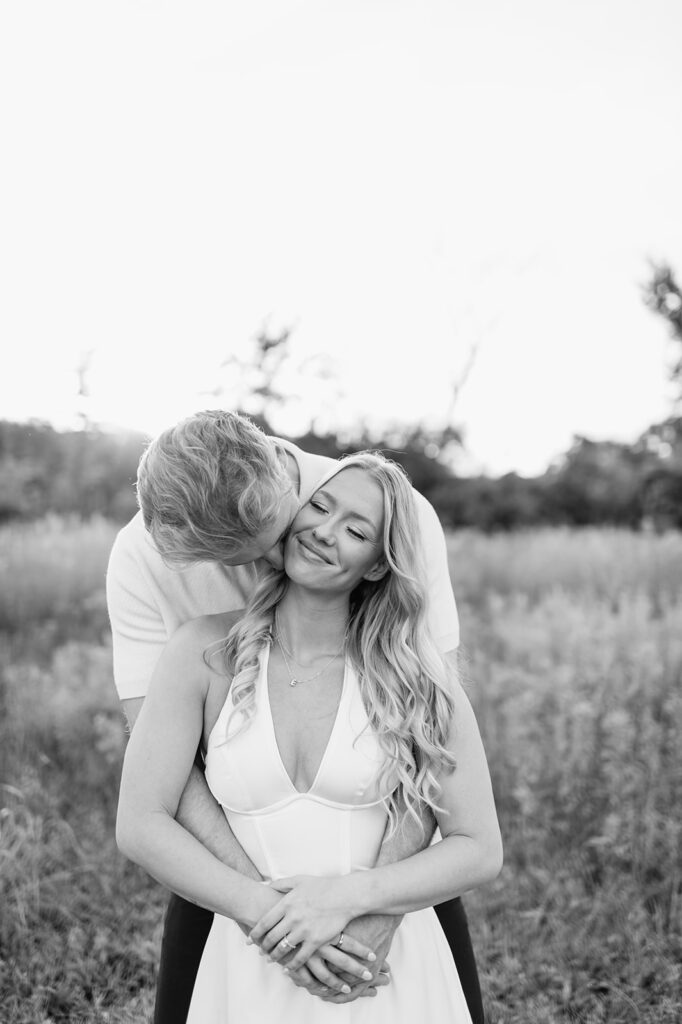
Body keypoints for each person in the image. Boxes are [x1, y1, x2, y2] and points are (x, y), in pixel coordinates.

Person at [106, 409, 484, 1021]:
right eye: (240, 563)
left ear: (282, 486)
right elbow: (158, 781)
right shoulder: (146, 565)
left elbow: (430, 745)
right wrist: (270, 913)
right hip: (225, 868)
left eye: (271, 544)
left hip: (391, 869)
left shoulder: (390, 510)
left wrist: (372, 913)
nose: (277, 569)